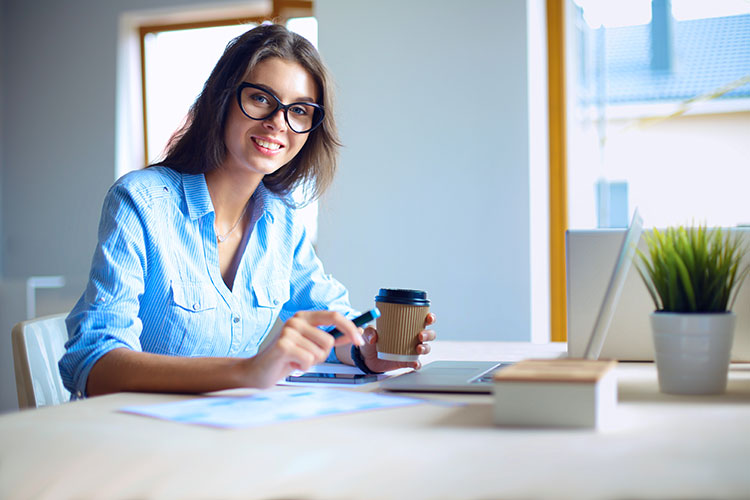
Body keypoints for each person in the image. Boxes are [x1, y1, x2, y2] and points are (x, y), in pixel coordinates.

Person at [59, 23, 436, 398]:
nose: (278, 122)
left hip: (229, 433)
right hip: (137, 438)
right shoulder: (141, 202)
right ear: (222, 99)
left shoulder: (281, 220)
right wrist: (248, 370)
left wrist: (366, 351)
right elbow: (94, 365)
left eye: (300, 110)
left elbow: (331, 326)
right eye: (260, 99)